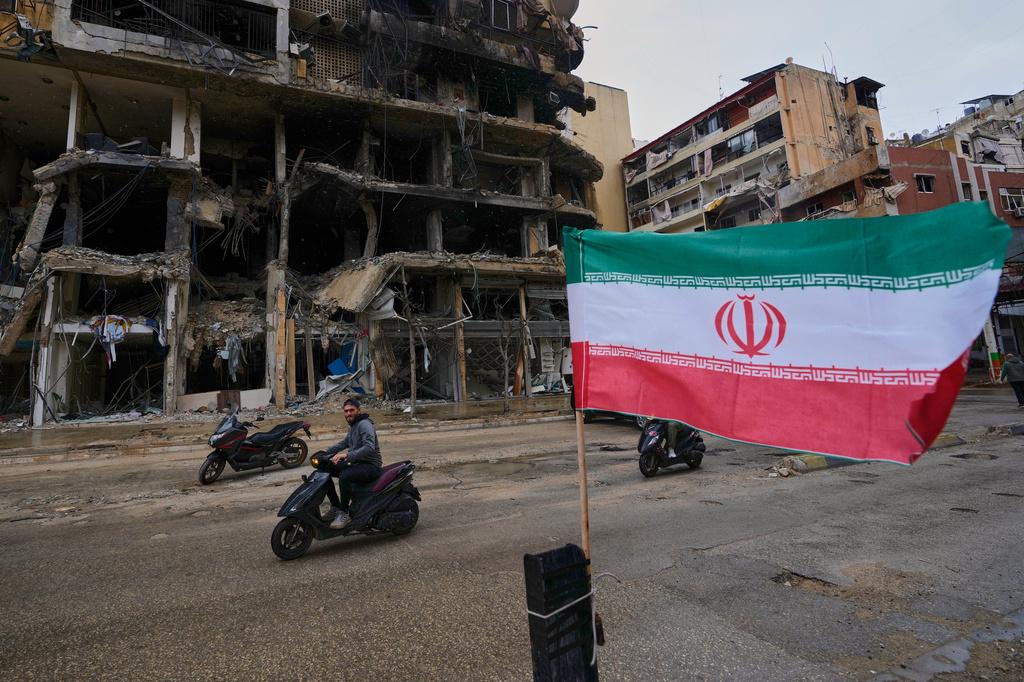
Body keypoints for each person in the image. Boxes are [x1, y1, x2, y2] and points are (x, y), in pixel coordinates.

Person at [322, 397, 383, 530]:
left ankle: (344, 513)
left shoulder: (364, 424)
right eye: (346, 411)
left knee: (345, 475)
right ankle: (335, 506)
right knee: (325, 468)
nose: (348, 414)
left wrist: (346, 455)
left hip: (371, 466)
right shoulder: (354, 425)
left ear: (359, 410)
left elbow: (369, 447)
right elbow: (345, 443)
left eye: (351, 410)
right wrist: (327, 451)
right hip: (357, 464)